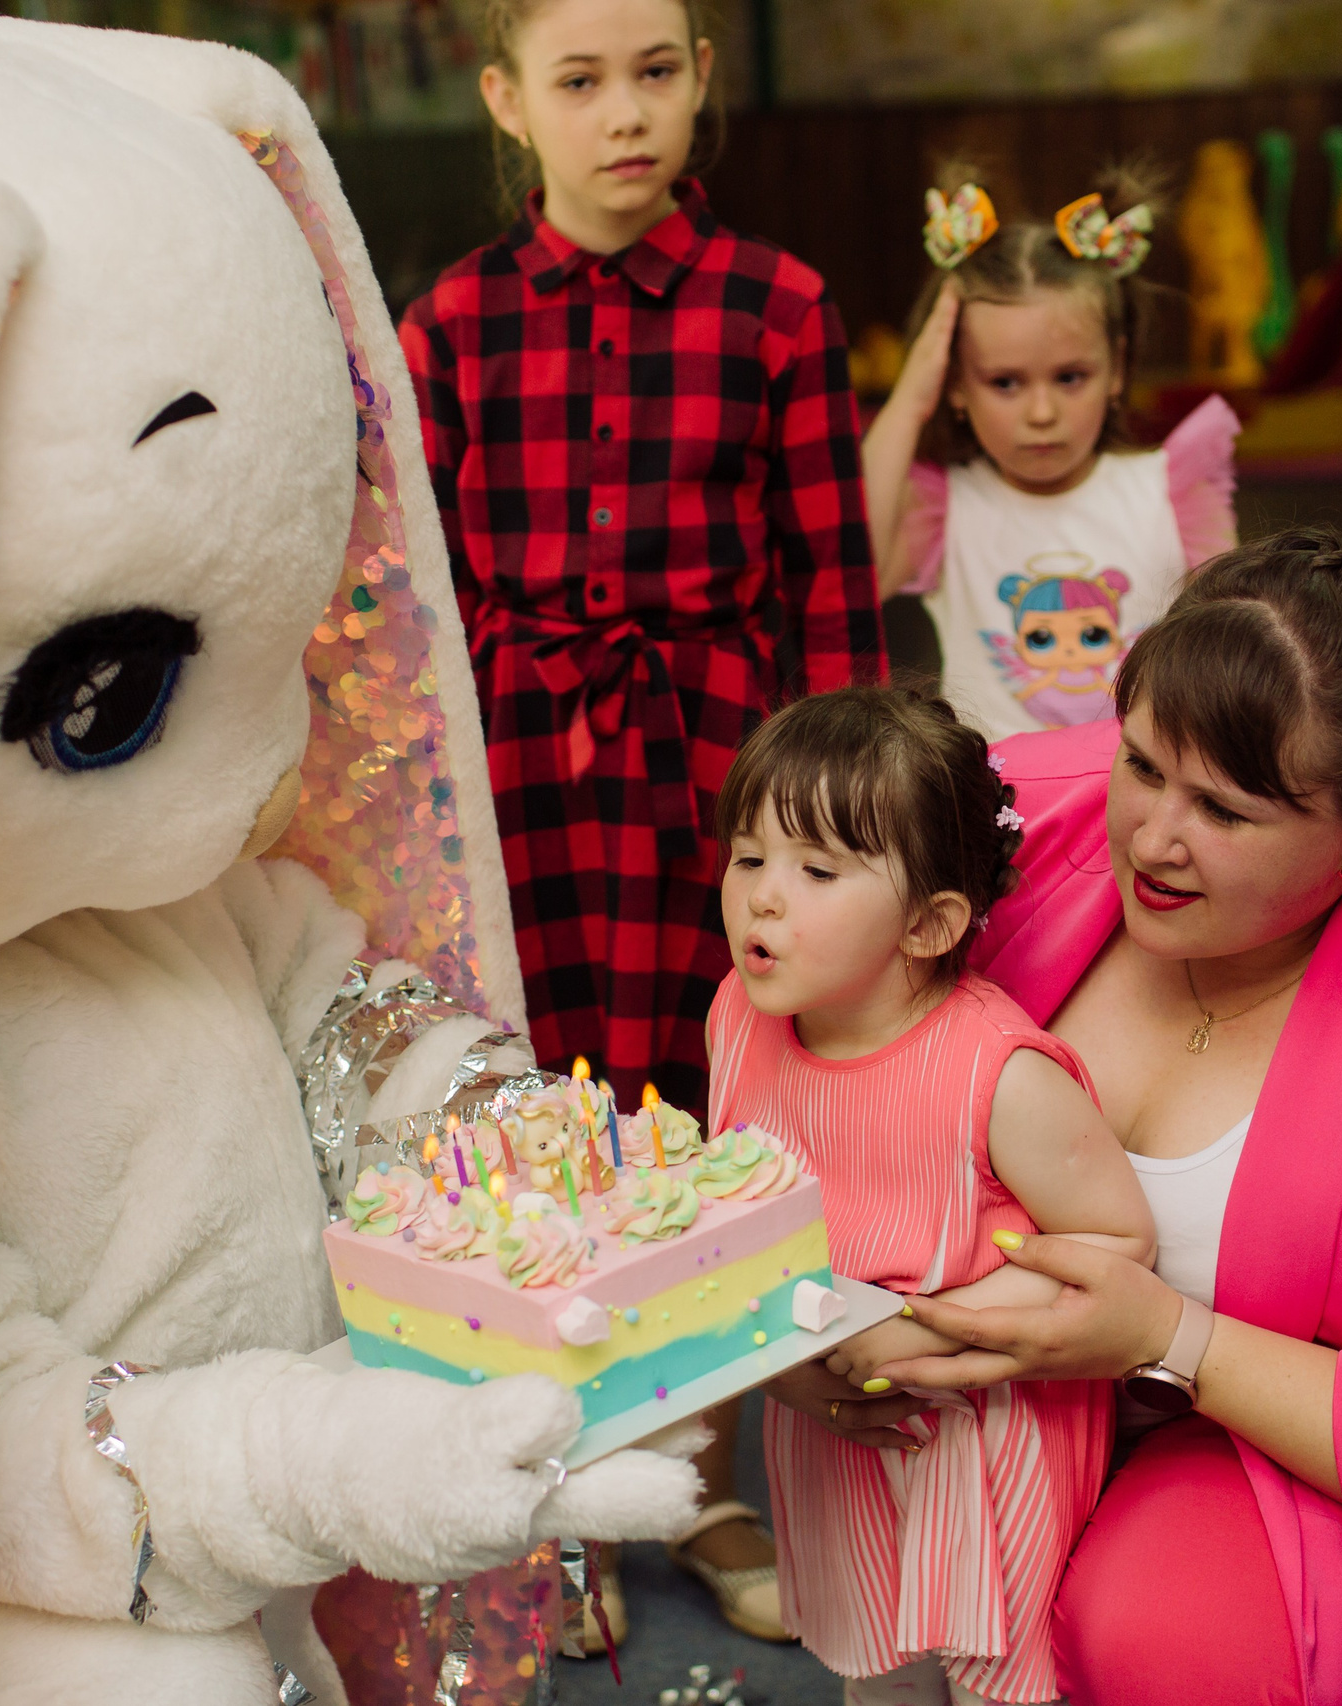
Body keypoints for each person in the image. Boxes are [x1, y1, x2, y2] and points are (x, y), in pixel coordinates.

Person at [773, 529, 1342, 1703]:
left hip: (1304, 1477)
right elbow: (788, 1054)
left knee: (1162, 1623)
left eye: (1228, 813)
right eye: (1140, 763)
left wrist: (1170, 1338)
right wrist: (784, 1340)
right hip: (1013, 1433)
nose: (1151, 837)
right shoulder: (1003, 826)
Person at [400, 0, 884, 1643]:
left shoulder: (779, 306)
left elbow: (833, 589)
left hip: (719, 773)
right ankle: (564, 1494)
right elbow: (416, 614)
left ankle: (699, 1468)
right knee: (541, 1130)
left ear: (701, 83)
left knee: (717, 1120)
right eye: (581, 79)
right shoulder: (451, 324)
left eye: (658, 72)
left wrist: (853, 830)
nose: (628, 114)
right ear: (507, 101)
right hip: (525, 770)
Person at [717, 687, 1153, 1704]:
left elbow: (1118, 1242)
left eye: (816, 869)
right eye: (748, 857)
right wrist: (782, 1372)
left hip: (981, 1433)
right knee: (876, 1669)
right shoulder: (735, 1018)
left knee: (1002, 1683)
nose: (762, 897)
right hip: (836, 1423)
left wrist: (919, 1327)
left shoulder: (994, 1072)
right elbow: (734, 1217)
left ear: (927, 924)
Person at [858, 164, 1239, 741]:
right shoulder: (946, 507)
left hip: (1138, 809)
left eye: (1070, 377)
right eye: (1005, 383)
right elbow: (848, 563)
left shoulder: (1172, 490)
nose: (1041, 414)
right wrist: (911, 398)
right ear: (955, 383)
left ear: (1117, 367)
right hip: (996, 817)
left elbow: (1232, 646)